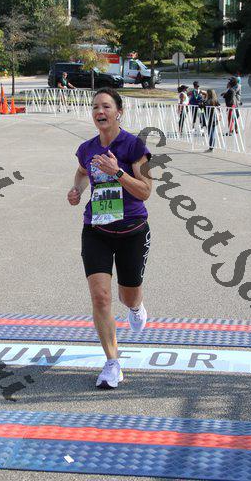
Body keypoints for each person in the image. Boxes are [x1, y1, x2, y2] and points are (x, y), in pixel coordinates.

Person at [68, 88, 152, 389]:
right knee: (100, 297)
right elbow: (81, 172)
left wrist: (117, 173)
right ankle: (112, 363)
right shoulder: (87, 148)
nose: (99, 112)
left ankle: (136, 308)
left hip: (132, 230)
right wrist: (76, 190)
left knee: (128, 296)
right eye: (95, 107)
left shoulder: (135, 146)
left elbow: (146, 191)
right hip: (97, 230)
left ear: (119, 112)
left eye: (105, 106)